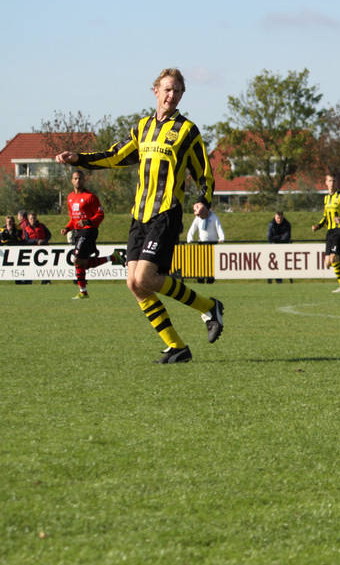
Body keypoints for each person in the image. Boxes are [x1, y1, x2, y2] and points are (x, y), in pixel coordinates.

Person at [54, 67, 224, 364]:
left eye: (178, 91)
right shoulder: (143, 127)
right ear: (155, 91)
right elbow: (115, 156)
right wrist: (79, 158)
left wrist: (203, 201)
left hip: (166, 212)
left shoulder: (187, 131)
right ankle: (176, 346)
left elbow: (205, 174)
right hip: (140, 215)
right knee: (134, 283)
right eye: (167, 89)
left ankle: (208, 306)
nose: (172, 95)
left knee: (146, 276)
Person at [62, 169, 114, 299]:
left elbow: (100, 215)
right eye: (75, 178)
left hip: (89, 231)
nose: (78, 181)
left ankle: (83, 292)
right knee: (83, 263)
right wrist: (67, 228)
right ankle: (113, 258)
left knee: (76, 259)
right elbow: (73, 218)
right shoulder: (70, 197)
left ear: (84, 180)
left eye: (80, 178)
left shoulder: (90, 197)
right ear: (71, 181)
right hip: (78, 232)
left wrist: (88, 221)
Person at [266, 211, 291, 284]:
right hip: (273, 248)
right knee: (273, 264)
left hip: (283, 248)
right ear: (275, 218)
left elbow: (287, 237)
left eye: (280, 218)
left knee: (281, 264)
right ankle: (271, 279)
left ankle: (281, 280)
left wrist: (276, 238)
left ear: (283, 218)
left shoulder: (287, 224)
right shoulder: (271, 224)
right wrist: (280, 236)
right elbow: (269, 237)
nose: (279, 220)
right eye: (278, 218)